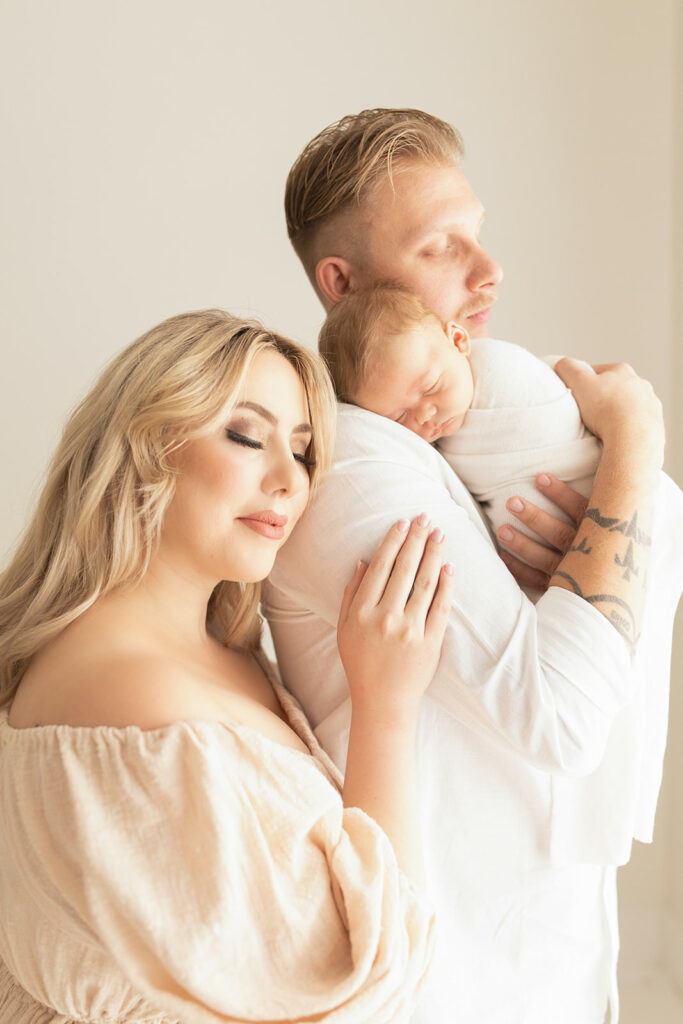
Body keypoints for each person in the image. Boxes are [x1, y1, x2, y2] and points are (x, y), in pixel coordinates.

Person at [263, 109, 680, 1023]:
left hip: (541, 949)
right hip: (451, 978)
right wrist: (634, 448)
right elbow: (560, 715)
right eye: (441, 247)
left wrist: (582, 549)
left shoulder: (446, 441)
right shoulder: (359, 477)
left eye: (479, 238)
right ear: (343, 282)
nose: (488, 273)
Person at [0, 309, 457, 1023]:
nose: (289, 480)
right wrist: (385, 708)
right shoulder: (134, 701)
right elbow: (364, 987)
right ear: (146, 445)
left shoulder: (221, 658)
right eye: (246, 436)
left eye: (303, 452)